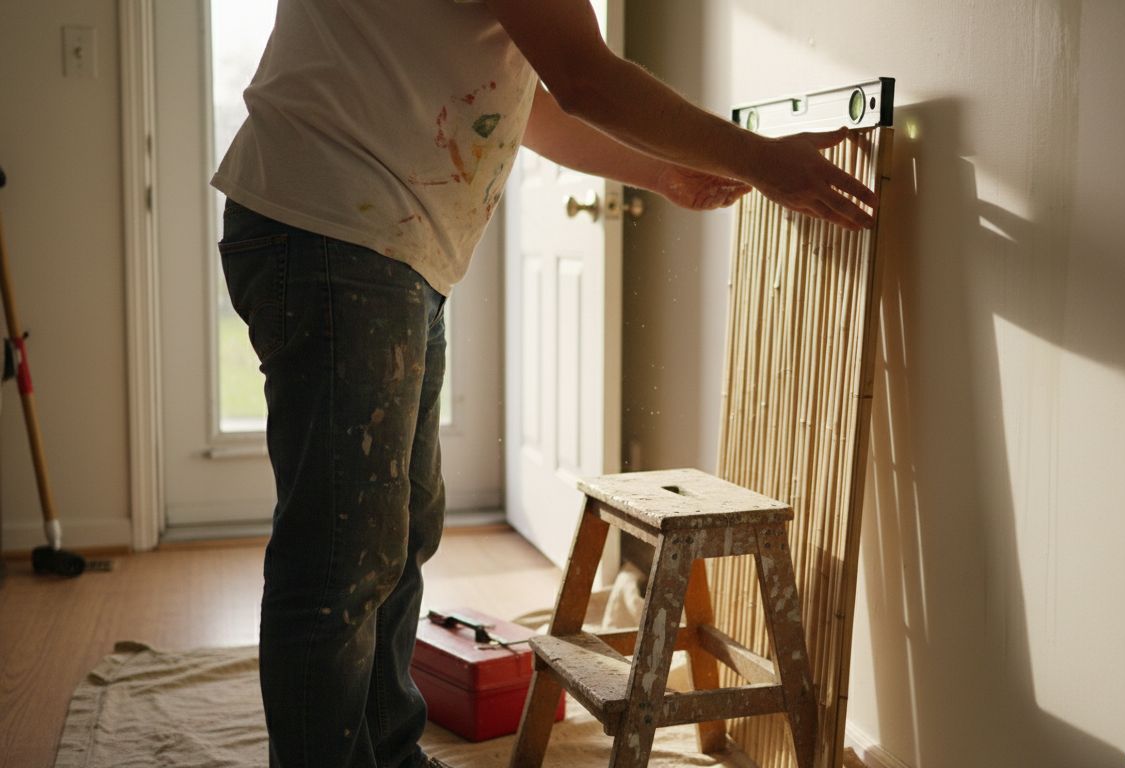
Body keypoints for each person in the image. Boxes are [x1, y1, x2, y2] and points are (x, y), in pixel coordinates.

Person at [210, 1, 878, 766]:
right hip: (338, 228)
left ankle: (387, 754)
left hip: (375, 238)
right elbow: (588, 78)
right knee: (341, 553)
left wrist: (663, 170)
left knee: (395, 530)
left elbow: (536, 104)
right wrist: (760, 158)